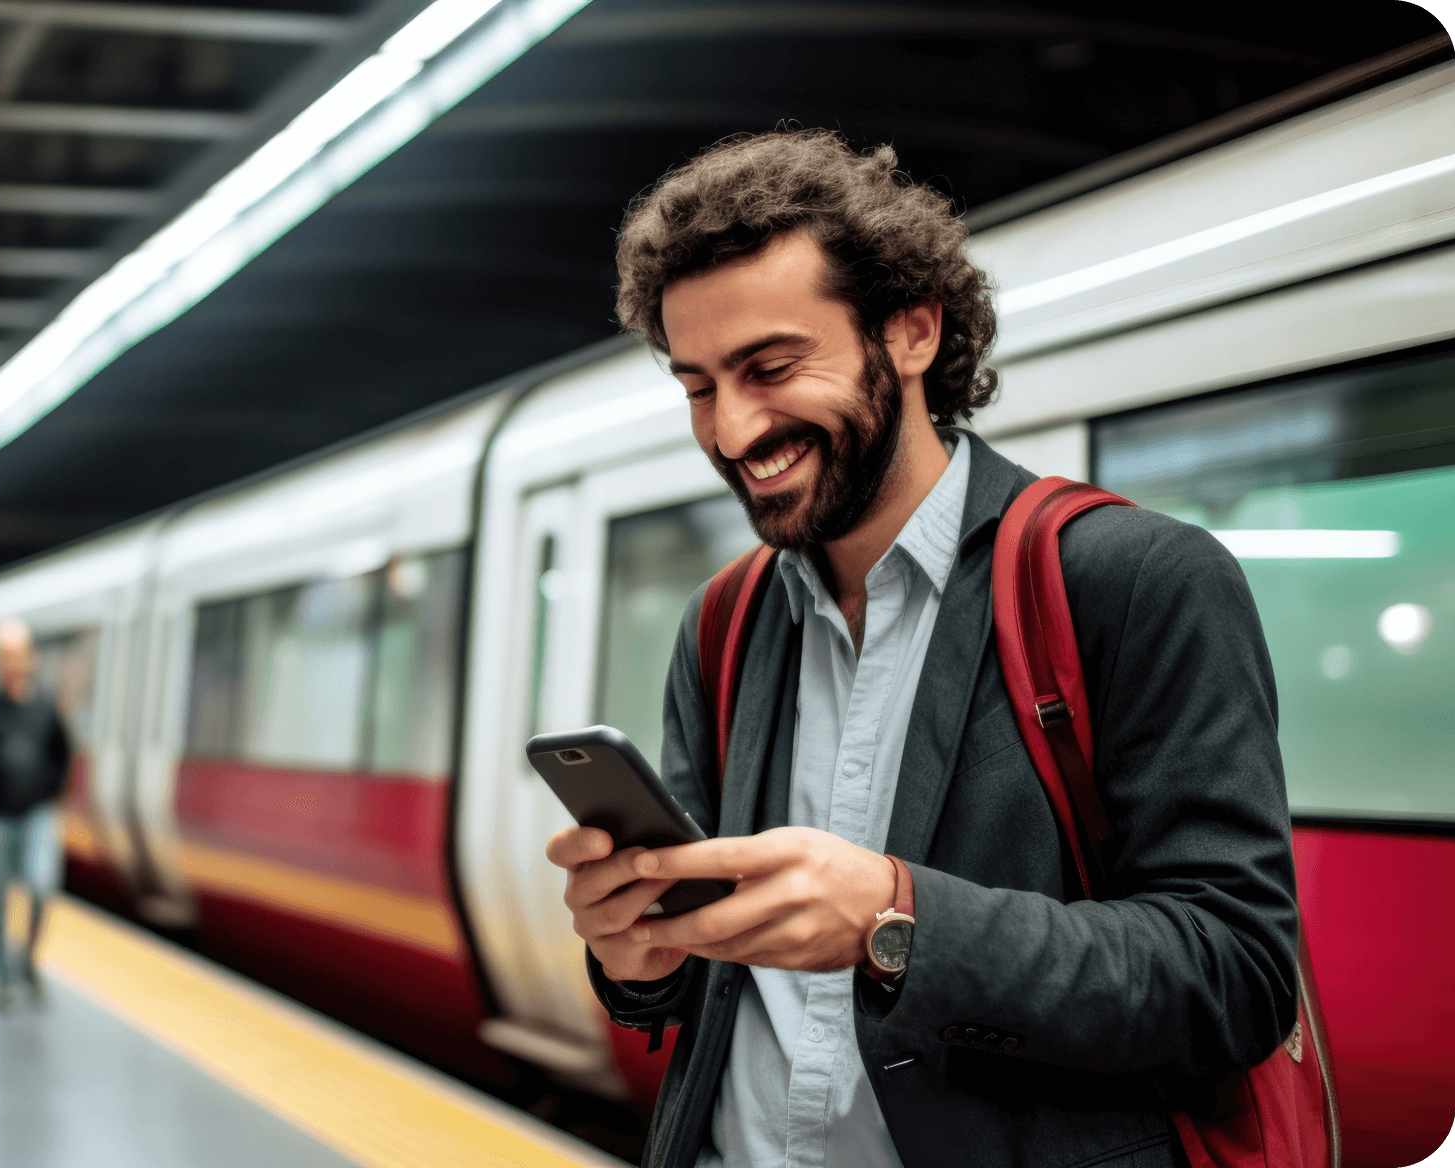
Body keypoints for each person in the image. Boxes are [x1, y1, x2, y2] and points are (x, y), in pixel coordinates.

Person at [547, 130, 1298, 1168]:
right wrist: (634, 951)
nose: (729, 431)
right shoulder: (722, 622)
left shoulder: (1135, 580)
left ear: (909, 330)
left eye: (770, 366)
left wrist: (892, 920)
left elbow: (1235, 975)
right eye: (696, 386)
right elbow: (698, 983)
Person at [0, 618, 71, 1008]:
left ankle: (29, 962)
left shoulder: (46, 706)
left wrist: (50, 793)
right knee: (2, 894)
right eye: (5, 655)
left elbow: (62, 754)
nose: (13, 662)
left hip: (37, 814)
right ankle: (3, 979)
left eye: (18, 654)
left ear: (30, 657)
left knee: (41, 886)